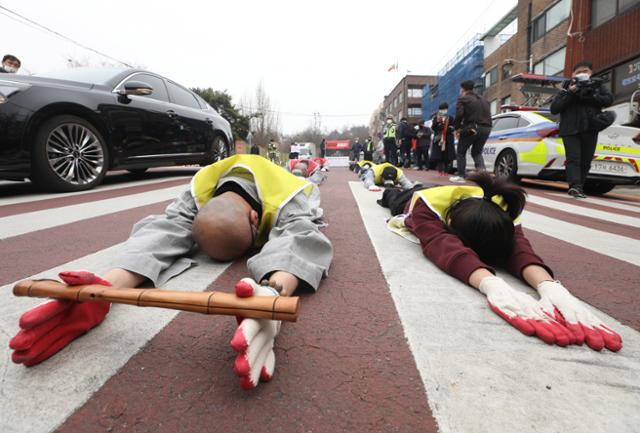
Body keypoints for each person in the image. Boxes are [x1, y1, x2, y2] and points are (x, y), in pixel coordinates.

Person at [8, 154, 334, 390]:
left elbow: (301, 235)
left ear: (254, 217)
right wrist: (105, 287)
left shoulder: (291, 194)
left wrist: (272, 292)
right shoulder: (196, 194)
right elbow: (163, 231)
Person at [382, 172, 622, 352]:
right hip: (413, 197)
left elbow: (518, 247)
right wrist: (492, 284)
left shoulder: (505, 208)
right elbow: (440, 243)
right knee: (390, 196)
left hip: (465, 202)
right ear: (450, 221)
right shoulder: (426, 208)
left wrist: (550, 286)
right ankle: (391, 187)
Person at [550, 61, 614, 199]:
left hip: (590, 129)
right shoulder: (566, 87)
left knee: (586, 160)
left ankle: (579, 187)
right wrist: (570, 93)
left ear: (591, 72)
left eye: (585, 71)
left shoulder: (597, 86)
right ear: (573, 74)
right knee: (573, 159)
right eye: (578, 72)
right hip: (570, 130)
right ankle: (575, 186)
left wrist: (592, 95)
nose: (582, 74)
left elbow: (609, 100)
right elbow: (554, 108)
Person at [450, 80, 493, 183]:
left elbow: (459, 115)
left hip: (472, 128)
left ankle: (461, 176)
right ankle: (483, 176)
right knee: (477, 152)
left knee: (461, 151)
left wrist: (457, 129)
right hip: (487, 128)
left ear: (463, 89)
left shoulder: (463, 99)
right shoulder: (484, 100)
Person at [431, 103, 456, 177]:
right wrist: (438, 124)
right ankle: (440, 171)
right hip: (439, 138)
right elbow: (433, 127)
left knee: (447, 156)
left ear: (447, 109)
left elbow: (453, 127)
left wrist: (448, 129)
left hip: (448, 138)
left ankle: (446, 171)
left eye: (444, 109)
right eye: (441, 109)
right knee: (439, 156)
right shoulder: (436, 117)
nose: (443, 111)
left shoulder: (450, 118)